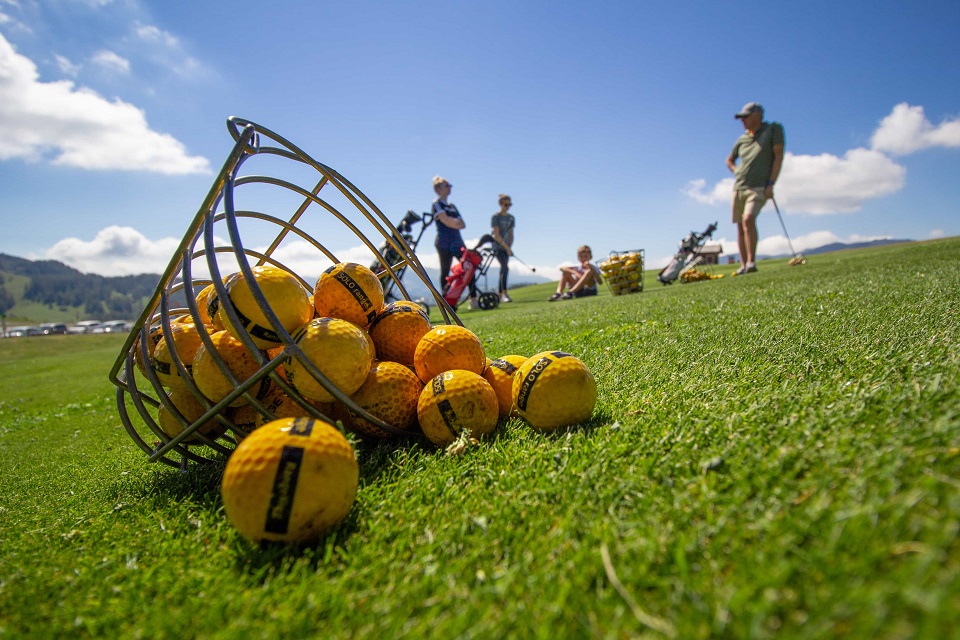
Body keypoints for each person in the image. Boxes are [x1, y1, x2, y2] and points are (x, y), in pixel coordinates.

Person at [725, 102, 785, 275]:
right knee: (739, 225)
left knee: (748, 219)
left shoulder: (773, 130)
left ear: (758, 115)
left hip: (759, 186)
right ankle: (743, 265)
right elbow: (729, 160)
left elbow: (778, 156)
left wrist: (771, 183)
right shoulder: (742, 139)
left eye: (746, 117)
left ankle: (751, 262)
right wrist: (737, 172)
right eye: (741, 118)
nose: (742, 121)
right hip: (739, 187)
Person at [431, 175, 478, 308]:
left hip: (457, 242)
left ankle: (473, 300)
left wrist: (453, 222)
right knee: (445, 272)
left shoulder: (452, 206)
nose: (450, 188)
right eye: (447, 185)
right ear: (438, 188)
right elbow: (446, 220)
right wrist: (453, 222)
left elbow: (462, 224)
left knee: (469, 266)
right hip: (443, 243)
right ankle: (447, 302)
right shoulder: (436, 204)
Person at [490, 193, 515, 302]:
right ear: (500, 204)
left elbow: (511, 234)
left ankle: (500, 294)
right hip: (498, 247)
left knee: (504, 269)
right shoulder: (496, 217)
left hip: (506, 248)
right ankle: (504, 293)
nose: (508, 206)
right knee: (505, 267)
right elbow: (496, 235)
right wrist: (506, 247)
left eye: (510, 204)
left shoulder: (511, 218)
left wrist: (509, 247)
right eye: (506, 204)